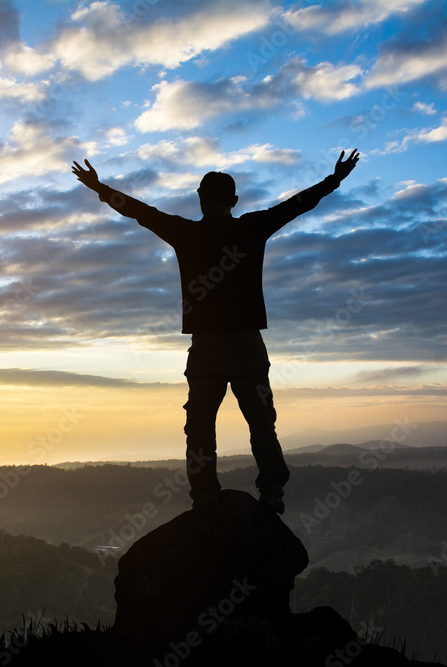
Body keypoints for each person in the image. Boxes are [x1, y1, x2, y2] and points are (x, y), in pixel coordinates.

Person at [72, 149, 360, 513]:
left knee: (200, 427)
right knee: (261, 423)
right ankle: (272, 494)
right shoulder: (252, 227)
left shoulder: (185, 233)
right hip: (247, 345)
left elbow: (139, 211)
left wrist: (98, 186)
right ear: (234, 201)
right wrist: (334, 179)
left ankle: (204, 498)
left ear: (200, 199)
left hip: (205, 347)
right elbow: (297, 204)